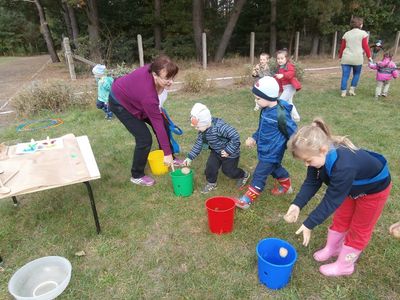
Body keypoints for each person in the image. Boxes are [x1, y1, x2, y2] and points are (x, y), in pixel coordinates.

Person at [284, 118, 391, 277]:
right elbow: (312, 182)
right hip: (349, 186)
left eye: (308, 161)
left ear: (323, 150)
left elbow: (331, 200)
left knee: (360, 227)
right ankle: (333, 248)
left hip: (373, 190)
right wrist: (297, 204)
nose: (307, 165)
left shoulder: (344, 166)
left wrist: (309, 224)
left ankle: (345, 265)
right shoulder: (318, 158)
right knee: (342, 217)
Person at [109, 55, 179, 186]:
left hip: (135, 98)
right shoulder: (148, 96)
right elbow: (156, 122)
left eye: (172, 78)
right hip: (120, 102)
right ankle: (137, 175)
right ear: (154, 75)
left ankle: (170, 157)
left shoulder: (155, 70)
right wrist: (167, 154)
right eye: (167, 78)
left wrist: (168, 154)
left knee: (163, 124)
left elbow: (159, 123)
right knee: (144, 138)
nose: (171, 82)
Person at [235, 76, 297, 209]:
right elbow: (262, 128)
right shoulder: (266, 109)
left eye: (258, 98)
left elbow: (293, 131)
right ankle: (286, 186)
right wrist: (254, 137)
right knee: (275, 168)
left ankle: (247, 199)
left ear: (269, 97)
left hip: (273, 151)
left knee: (260, 173)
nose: (255, 101)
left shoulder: (280, 114)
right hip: (264, 148)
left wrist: (298, 145)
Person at [183, 103, 250, 194]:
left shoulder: (220, 127)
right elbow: (198, 144)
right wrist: (189, 157)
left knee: (229, 171)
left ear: (206, 122)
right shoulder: (202, 131)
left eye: (197, 126)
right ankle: (211, 183)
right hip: (216, 151)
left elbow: (235, 136)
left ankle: (244, 174)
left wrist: (228, 150)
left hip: (231, 153)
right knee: (210, 167)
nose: (196, 129)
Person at [338, 16, 372, 97]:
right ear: (360, 25)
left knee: (345, 75)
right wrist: (369, 57)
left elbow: (342, 47)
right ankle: (352, 90)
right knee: (356, 74)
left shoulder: (346, 34)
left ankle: (343, 92)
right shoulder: (363, 34)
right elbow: (365, 46)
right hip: (357, 58)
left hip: (346, 58)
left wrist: (340, 57)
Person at [274, 49, 301, 122]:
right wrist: (279, 90)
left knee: (281, 101)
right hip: (285, 88)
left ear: (286, 58)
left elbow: (291, 74)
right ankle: (296, 117)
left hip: (290, 87)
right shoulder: (280, 68)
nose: (280, 60)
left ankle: (281, 118)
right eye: (278, 59)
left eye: (282, 58)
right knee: (289, 103)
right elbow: (279, 81)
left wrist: (283, 75)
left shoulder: (289, 65)